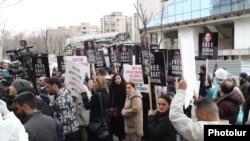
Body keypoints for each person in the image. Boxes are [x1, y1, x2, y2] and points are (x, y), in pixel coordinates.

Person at [169, 76, 230, 141]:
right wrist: (196, 101)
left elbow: (175, 115)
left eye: (197, 117)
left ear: (204, 115)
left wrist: (181, 91)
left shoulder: (201, 131)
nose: (196, 119)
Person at [46, 77, 80, 141]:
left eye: (48, 87)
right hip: (73, 129)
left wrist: (62, 136)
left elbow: (65, 119)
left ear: (54, 86)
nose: (46, 89)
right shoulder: (62, 94)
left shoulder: (61, 98)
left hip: (68, 133)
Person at [81, 76, 111, 141]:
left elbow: (87, 106)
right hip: (105, 120)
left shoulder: (97, 95)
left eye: (95, 82)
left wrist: (84, 94)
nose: (93, 84)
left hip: (97, 122)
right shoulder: (107, 93)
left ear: (99, 84)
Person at [109, 73, 127, 141]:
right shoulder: (111, 88)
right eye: (115, 79)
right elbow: (110, 98)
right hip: (113, 110)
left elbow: (125, 99)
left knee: (121, 126)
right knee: (115, 126)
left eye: (118, 78)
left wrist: (119, 107)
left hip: (121, 110)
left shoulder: (124, 87)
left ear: (121, 79)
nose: (117, 80)